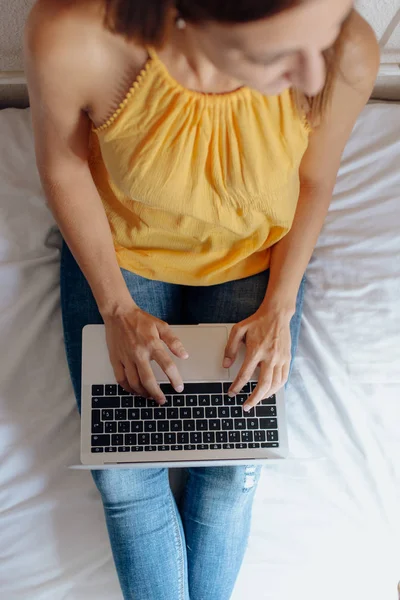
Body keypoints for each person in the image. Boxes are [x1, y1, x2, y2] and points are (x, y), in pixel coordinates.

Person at [24, 0, 379, 598]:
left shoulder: (347, 48)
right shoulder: (74, 35)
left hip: (252, 256)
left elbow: (314, 178)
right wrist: (115, 307)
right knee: (125, 473)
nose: (314, 79)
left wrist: (280, 307)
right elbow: (64, 167)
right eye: (274, 55)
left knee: (233, 462)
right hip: (124, 250)